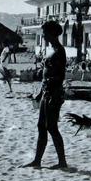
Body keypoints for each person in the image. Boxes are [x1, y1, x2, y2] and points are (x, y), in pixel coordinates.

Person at [22, 20, 67, 169]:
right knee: (42, 126)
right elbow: (45, 76)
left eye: (45, 33)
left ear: (53, 33)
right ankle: (37, 160)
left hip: (53, 93)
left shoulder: (60, 51)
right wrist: (40, 93)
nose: (44, 36)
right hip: (47, 93)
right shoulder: (51, 50)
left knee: (52, 127)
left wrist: (50, 91)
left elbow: (60, 76)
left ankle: (62, 162)